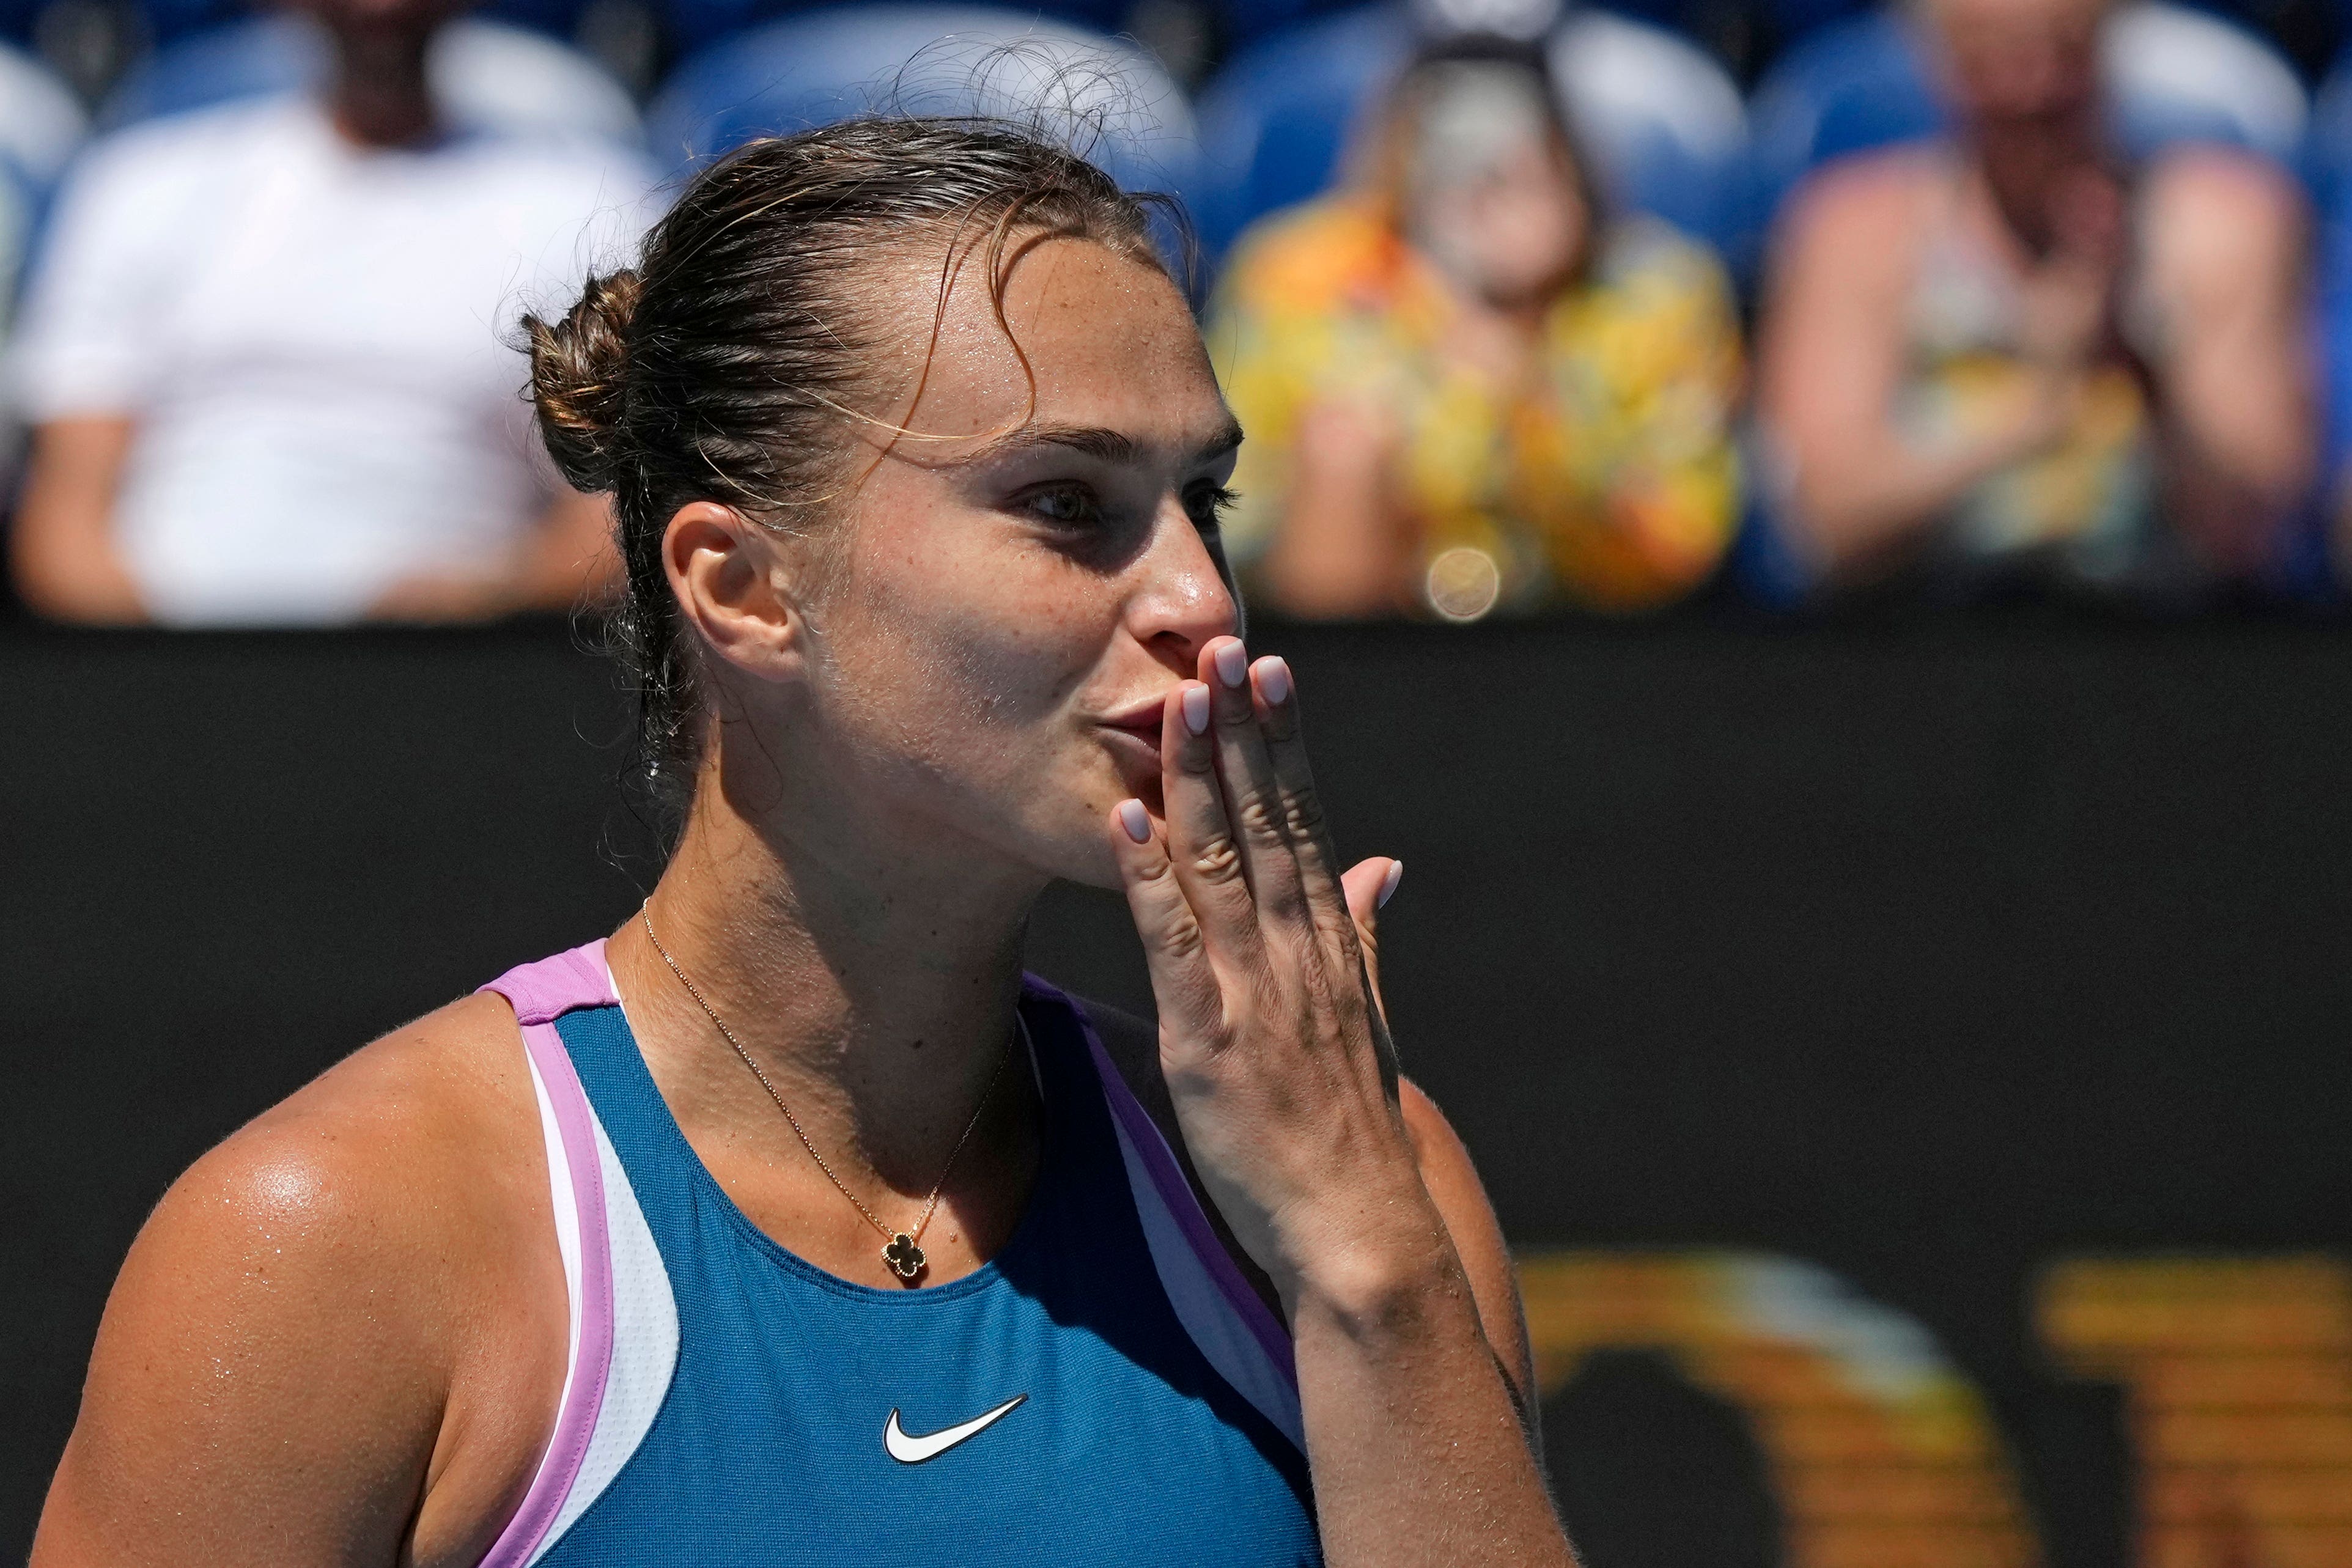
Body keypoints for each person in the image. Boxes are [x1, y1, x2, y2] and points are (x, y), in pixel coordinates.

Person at [30, 120, 1571, 1564]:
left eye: (1203, 501)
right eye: (1064, 502)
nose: (1200, 601)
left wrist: (1372, 1260)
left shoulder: (1362, 1177)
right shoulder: (326, 1245)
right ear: (742, 586)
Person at [4, 0, 655, 626]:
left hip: (452, 684)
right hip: (159, 681)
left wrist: (496, 600)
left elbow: (615, 516)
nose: (380, 10)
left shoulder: (585, 204)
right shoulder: (139, 188)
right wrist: (176, 671)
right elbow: (67, 514)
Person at [1752, 0, 2315, 602]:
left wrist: (2135, 362)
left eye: (2061, 52)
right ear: (1938, 62)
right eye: (1991, 59)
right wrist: (2039, 401)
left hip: (2170, 645)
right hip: (1923, 650)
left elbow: (2250, 533)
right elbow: (1828, 528)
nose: (2030, 87)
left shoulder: (2225, 226)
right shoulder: (1853, 232)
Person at [1206, 35, 1743, 622]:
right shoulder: (1297, 276)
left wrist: (1532, 383)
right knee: (1344, 451)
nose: (1487, 180)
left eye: (1520, 149)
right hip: (1369, 624)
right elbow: (1231, 510)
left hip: (1591, 630)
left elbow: (1684, 543)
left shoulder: (1656, 292)